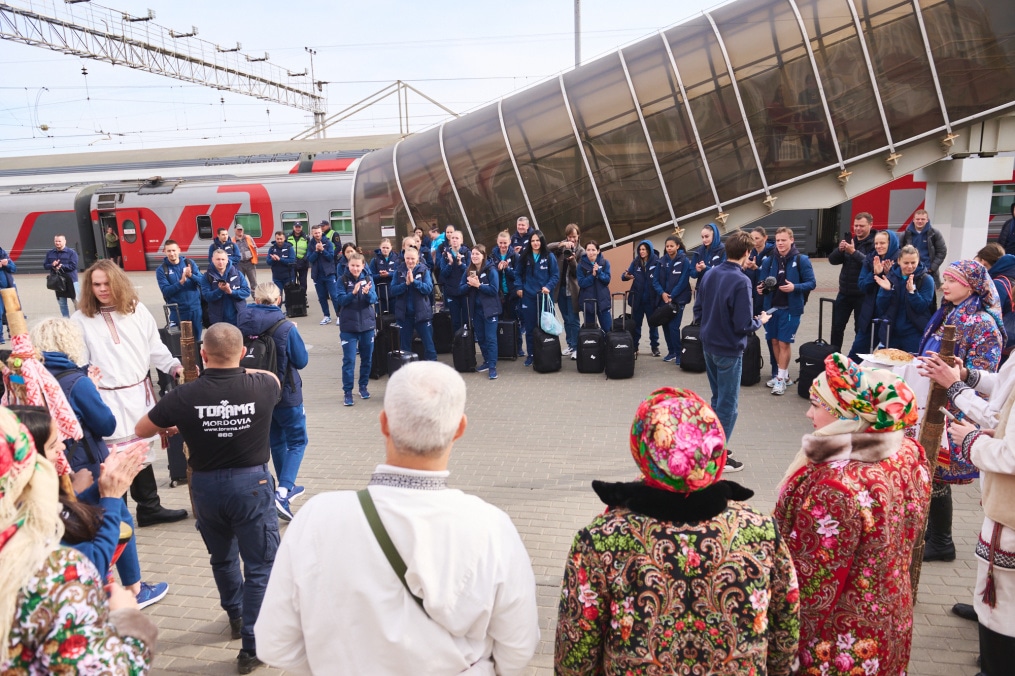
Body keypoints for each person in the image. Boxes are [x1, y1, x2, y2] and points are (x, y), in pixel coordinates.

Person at [255, 362, 540, 674]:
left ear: (384, 422)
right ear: (460, 428)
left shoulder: (316, 518)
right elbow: (518, 647)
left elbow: (275, 643)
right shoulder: (491, 527)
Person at [555, 387, 800, 675]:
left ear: (643, 448)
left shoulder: (601, 539)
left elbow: (576, 646)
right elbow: (786, 629)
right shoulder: (760, 531)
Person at [136, 323, 281, 675]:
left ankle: (235, 614)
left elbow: (142, 429)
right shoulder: (263, 385)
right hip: (251, 485)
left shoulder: (184, 396)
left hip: (206, 487)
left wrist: (182, 422)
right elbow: (268, 376)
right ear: (244, 353)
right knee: (261, 565)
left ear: (202, 355)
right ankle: (252, 645)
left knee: (222, 556)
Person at [775, 353, 930, 676]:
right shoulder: (906, 451)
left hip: (840, 641)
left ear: (848, 415)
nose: (808, 413)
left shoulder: (835, 487)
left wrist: (780, 646)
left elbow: (812, 585)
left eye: (817, 405)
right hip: (891, 619)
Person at [0, 406, 158, 674]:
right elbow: (95, 560)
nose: (62, 446)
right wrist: (129, 621)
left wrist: (101, 489)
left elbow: (60, 519)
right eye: (52, 446)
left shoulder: (17, 515)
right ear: (25, 464)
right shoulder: (54, 570)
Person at [33, 317, 169, 608]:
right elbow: (105, 424)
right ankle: (133, 588)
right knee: (117, 519)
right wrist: (92, 390)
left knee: (78, 523)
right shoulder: (76, 381)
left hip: (57, 465)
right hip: (88, 463)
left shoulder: (37, 377)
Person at [919, 340, 1015, 675]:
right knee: (998, 599)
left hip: (1011, 516)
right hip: (1004, 507)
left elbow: (1009, 446)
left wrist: (974, 439)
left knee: (1002, 607)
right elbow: (1004, 387)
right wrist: (968, 377)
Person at [72, 260, 188, 528]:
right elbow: (79, 361)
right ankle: (117, 515)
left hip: (138, 393)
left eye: (107, 284)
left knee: (140, 450)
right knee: (112, 458)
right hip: (105, 399)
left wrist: (174, 366)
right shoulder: (80, 319)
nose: (102, 289)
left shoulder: (136, 310)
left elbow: (154, 348)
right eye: (96, 284)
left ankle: (149, 508)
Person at [918, 260, 1004, 563]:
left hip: (958, 407)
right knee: (931, 468)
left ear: (970, 286)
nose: (945, 285)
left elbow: (986, 374)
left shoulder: (981, 323)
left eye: (953, 280)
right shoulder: (948, 314)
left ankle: (942, 540)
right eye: (946, 279)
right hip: (937, 401)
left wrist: (958, 380)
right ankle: (935, 534)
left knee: (938, 471)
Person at [694, 230, 771, 472]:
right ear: (747, 252)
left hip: (708, 345)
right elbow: (743, 324)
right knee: (728, 405)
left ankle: (713, 446)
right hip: (728, 349)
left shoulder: (710, 273)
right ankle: (718, 457)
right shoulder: (742, 281)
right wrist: (761, 321)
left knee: (718, 399)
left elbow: (698, 308)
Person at [237, 284, 309, 523]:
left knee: (276, 440)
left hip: (256, 393)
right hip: (286, 393)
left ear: (255, 298)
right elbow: (301, 360)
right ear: (279, 300)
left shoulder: (242, 324)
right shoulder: (286, 327)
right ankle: (284, 491)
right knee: (298, 440)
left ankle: (281, 490)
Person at [758, 227, 816, 395]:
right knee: (774, 342)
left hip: (790, 309)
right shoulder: (769, 260)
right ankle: (783, 376)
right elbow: (762, 281)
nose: (780, 243)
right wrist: (761, 288)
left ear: (792, 240)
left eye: (784, 240)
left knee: (784, 342)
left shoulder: (802, 259)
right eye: (778, 240)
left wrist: (794, 287)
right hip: (771, 309)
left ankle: (781, 379)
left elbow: (811, 283)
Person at [848, 228, 899, 361]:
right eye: (876, 243)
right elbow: (862, 285)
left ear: (890, 243)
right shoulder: (870, 259)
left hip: (891, 318)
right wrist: (876, 274)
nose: (878, 246)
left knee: (886, 358)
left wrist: (889, 274)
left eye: (882, 243)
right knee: (856, 353)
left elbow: (900, 289)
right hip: (870, 315)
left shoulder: (899, 260)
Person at [828, 212, 876, 352]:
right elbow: (832, 260)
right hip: (844, 293)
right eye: (856, 226)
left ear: (870, 225)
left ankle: (857, 359)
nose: (858, 229)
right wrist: (840, 250)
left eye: (862, 226)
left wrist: (853, 252)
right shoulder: (851, 241)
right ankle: (835, 357)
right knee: (837, 327)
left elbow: (870, 263)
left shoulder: (874, 243)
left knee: (860, 329)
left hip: (863, 294)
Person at [873, 244, 935, 353]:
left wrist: (912, 292)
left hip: (914, 334)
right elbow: (881, 306)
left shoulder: (926, 280)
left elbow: (922, 307)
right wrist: (887, 291)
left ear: (918, 260)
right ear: (899, 261)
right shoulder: (890, 277)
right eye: (906, 263)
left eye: (913, 263)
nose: (910, 266)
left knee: (913, 368)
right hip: (891, 333)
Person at [336, 253, 377, 406]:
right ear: (348, 265)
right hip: (349, 327)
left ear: (363, 266)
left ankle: (363, 387)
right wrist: (353, 293)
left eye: (358, 266)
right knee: (349, 360)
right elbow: (340, 300)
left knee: (367, 359)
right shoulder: (342, 280)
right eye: (352, 265)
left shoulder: (368, 279)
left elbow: (374, 300)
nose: (355, 268)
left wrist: (367, 294)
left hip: (367, 326)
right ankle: (347, 392)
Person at [514, 230, 559, 367]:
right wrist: (519, 287)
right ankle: (531, 355)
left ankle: (547, 352)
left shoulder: (549, 256)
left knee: (546, 326)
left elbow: (555, 275)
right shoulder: (525, 256)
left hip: (544, 296)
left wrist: (549, 286)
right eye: (533, 241)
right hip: (528, 297)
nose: (535, 243)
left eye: (537, 240)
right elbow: (517, 274)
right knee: (530, 327)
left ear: (542, 241)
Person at [459, 244, 500, 380]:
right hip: (476, 311)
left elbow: (494, 290)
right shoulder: (468, 270)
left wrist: (479, 286)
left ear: (483, 255)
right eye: (473, 254)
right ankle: (487, 361)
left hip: (490, 310)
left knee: (490, 338)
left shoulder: (491, 270)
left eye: (477, 254)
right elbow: (460, 289)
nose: (475, 256)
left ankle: (493, 367)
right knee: (481, 338)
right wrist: (469, 284)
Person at [391, 246, 437, 360]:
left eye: (412, 258)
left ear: (417, 259)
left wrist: (414, 282)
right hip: (405, 315)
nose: (410, 261)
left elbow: (428, 289)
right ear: (404, 258)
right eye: (407, 258)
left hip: (422, 315)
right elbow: (392, 290)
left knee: (429, 346)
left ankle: (433, 371)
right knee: (404, 347)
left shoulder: (424, 270)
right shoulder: (399, 271)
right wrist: (405, 284)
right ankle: (408, 372)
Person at [620, 240, 662, 356]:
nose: (641, 252)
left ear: (649, 250)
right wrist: (626, 276)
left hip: (651, 301)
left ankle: (655, 347)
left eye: (644, 249)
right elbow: (624, 276)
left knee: (653, 325)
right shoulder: (636, 262)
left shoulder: (657, 262)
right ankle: (635, 346)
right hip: (637, 300)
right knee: (636, 325)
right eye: (640, 249)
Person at [655, 234, 692, 364]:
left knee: (673, 327)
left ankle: (678, 353)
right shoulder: (661, 261)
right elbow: (655, 281)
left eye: (672, 246)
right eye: (667, 246)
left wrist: (672, 295)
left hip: (678, 300)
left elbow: (683, 281)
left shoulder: (684, 261)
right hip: (664, 300)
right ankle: (671, 352)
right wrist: (663, 294)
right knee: (665, 325)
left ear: (677, 246)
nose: (669, 248)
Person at [157, 239, 204, 340]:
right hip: (177, 313)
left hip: (195, 310)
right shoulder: (161, 270)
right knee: (180, 344)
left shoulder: (189, 263)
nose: (172, 253)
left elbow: (202, 282)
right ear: (164, 252)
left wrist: (191, 275)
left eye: (174, 250)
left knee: (196, 341)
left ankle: (197, 356)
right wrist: (181, 282)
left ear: (179, 250)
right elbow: (165, 291)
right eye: (169, 251)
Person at [548, 224, 582, 357]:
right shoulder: (562, 247)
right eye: (569, 237)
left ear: (578, 236)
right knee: (566, 319)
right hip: (560, 289)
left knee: (574, 320)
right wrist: (562, 244)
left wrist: (572, 261)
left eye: (574, 236)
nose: (572, 239)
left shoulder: (581, 251)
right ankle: (570, 345)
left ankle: (577, 347)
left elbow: (578, 273)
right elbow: (547, 247)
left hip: (572, 291)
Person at [200, 248, 251, 327]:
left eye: (223, 259)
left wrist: (231, 292)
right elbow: (207, 297)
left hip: (237, 318)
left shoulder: (237, 274)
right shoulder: (206, 277)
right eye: (218, 259)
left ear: (227, 260)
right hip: (218, 320)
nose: (221, 262)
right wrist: (219, 290)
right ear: (212, 260)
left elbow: (246, 292)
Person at [491, 230, 522, 356]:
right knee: (500, 321)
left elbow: (519, 275)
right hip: (499, 294)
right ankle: (503, 347)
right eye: (500, 243)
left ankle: (518, 347)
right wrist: (497, 269)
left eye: (505, 243)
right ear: (497, 243)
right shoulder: (492, 256)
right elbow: (490, 274)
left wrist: (507, 269)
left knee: (515, 321)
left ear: (509, 242)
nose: (503, 246)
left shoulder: (515, 256)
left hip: (512, 294)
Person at [900, 208, 947, 286]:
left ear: (927, 220)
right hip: (910, 271)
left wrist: (932, 267)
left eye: (923, 219)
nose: (920, 221)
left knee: (928, 296)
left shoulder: (935, 233)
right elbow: (899, 251)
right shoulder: (905, 234)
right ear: (913, 220)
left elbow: (942, 251)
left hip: (928, 273)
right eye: (917, 219)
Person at [576, 240, 612, 335]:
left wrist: (599, 273)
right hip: (588, 303)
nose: (591, 252)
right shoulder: (581, 265)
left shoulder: (605, 263)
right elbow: (581, 283)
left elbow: (607, 280)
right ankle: (593, 349)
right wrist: (592, 275)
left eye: (593, 250)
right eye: (588, 250)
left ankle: (608, 348)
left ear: (598, 251)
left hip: (603, 302)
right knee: (590, 332)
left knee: (608, 330)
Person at [306, 224, 340, 325]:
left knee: (334, 296)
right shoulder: (310, 245)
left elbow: (330, 257)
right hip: (317, 275)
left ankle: (339, 315)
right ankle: (326, 316)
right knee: (321, 297)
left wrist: (322, 250)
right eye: (315, 233)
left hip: (329, 274)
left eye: (319, 232)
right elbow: (310, 259)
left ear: (322, 232)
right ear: (312, 233)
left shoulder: (328, 243)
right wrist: (316, 251)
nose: (317, 234)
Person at [438, 230, 471, 331]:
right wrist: (450, 263)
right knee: (455, 321)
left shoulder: (467, 253)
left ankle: (467, 342)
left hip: (465, 292)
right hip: (452, 292)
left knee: (467, 320)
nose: (455, 240)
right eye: (453, 238)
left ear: (461, 240)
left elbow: (470, 272)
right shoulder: (445, 255)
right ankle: (457, 343)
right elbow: (443, 274)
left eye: (457, 238)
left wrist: (461, 264)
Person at [43, 234, 79, 317]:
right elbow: (45, 265)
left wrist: (62, 266)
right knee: (62, 304)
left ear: (64, 241)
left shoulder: (72, 253)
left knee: (77, 302)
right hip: (58, 282)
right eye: (56, 241)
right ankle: (66, 321)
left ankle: (79, 320)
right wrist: (52, 265)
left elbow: (73, 266)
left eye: (59, 241)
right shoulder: (50, 253)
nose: (57, 243)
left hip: (71, 281)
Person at [369, 238, 398, 313]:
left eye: (387, 248)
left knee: (394, 317)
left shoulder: (397, 259)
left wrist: (389, 274)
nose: (385, 249)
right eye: (383, 247)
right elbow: (370, 276)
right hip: (380, 295)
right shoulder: (374, 260)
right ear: (380, 247)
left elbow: (400, 274)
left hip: (394, 295)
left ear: (391, 247)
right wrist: (379, 275)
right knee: (381, 318)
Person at [266, 231, 295, 300]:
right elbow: (268, 262)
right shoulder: (272, 249)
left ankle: (289, 311)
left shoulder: (289, 248)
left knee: (290, 296)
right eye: (277, 239)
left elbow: (292, 261)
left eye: (281, 239)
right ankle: (278, 310)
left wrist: (280, 259)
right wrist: (273, 259)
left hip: (289, 276)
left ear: (284, 238)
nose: (279, 241)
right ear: (275, 239)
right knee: (277, 296)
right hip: (277, 277)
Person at [0, 243, 17, 344]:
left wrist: (6, 265)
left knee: (12, 313)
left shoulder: (5, 256)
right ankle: (0, 336)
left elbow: (14, 269)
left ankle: (13, 333)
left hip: (9, 289)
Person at [286, 223, 310, 292]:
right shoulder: (288, 237)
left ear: (301, 227)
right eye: (296, 227)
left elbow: (309, 249)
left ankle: (303, 296)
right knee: (291, 281)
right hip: (291, 263)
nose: (298, 229)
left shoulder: (306, 237)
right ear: (293, 227)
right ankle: (292, 297)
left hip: (303, 263)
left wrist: (305, 258)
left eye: (299, 227)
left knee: (303, 281)